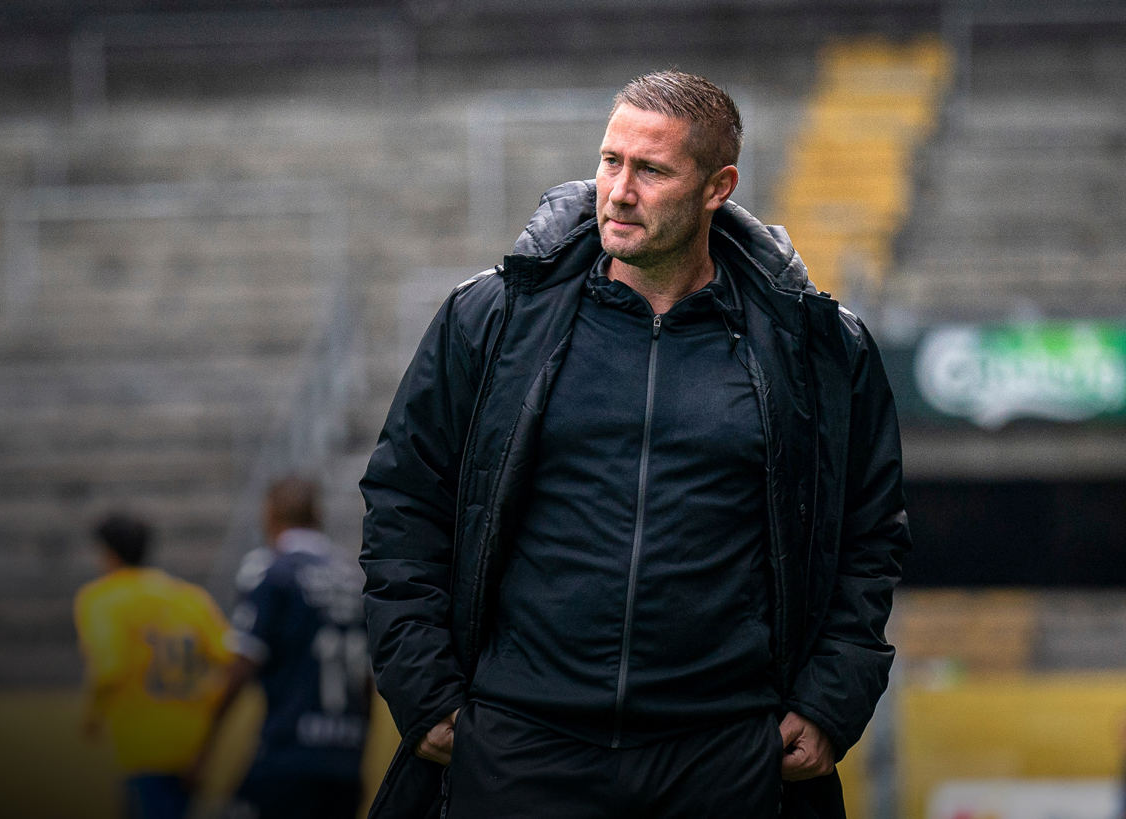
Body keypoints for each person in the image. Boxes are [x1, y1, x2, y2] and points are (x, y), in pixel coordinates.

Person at [359, 70, 911, 818]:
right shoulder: (493, 319)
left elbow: (869, 536)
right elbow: (404, 502)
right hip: (519, 741)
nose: (618, 192)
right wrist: (423, 687)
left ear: (718, 188)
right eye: (610, 161)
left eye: (651, 170)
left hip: (723, 754)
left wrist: (830, 700)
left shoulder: (817, 349)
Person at [196, 476, 372, 819]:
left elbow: (242, 664)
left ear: (269, 514)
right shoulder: (350, 578)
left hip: (288, 754)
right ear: (317, 515)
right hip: (345, 761)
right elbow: (366, 681)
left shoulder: (272, 570)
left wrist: (202, 747)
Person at [74, 511, 234, 819]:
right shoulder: (189, 597)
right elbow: (229, 659)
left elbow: (109, 668)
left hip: (143, 742)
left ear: (109, 554)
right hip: (192, 742)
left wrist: (92, 716)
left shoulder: (102, 598)